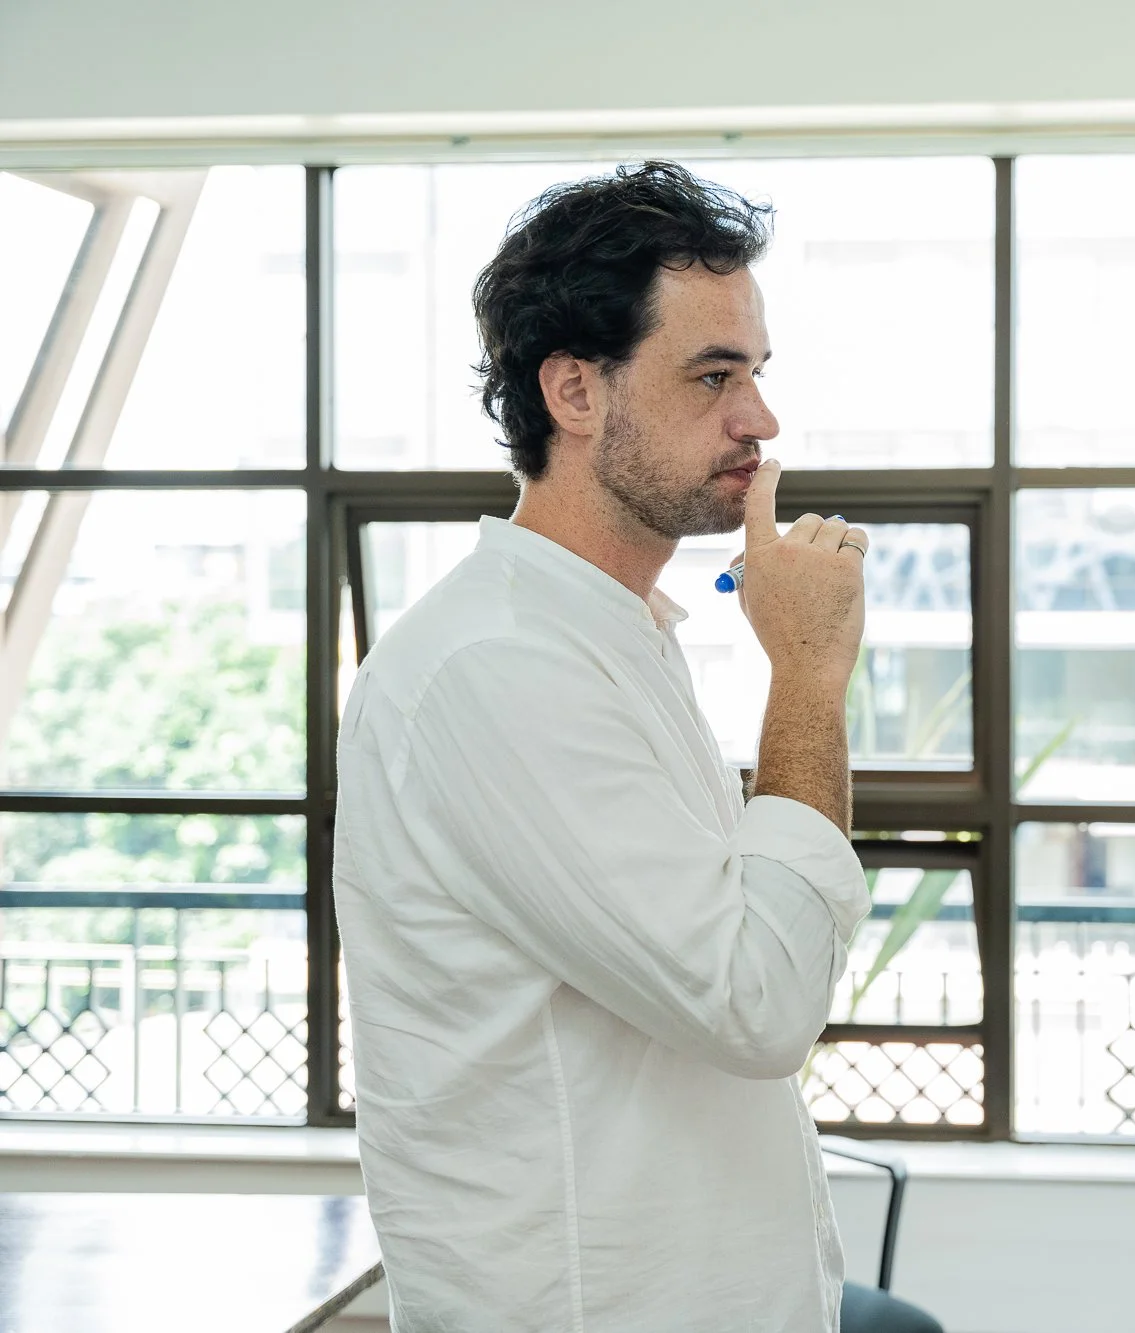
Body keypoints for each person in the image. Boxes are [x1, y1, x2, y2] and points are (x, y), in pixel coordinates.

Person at [333, 162, 874, 1331]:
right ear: (575, 392)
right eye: (713, 376)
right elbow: (759, 1000)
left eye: (757, 374)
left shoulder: (609, 639)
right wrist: (810, 675)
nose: (760, 420)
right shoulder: (497, 668)